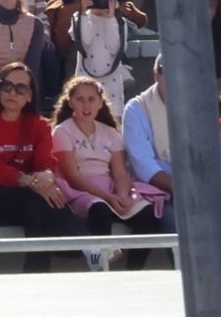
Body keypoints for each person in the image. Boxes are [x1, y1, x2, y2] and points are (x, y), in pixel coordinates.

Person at [123, 54, 221, 262]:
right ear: (156, 75)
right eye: (165, 71)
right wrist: (183, 190)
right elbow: (144, 166)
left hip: (203, 190)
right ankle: (189, 280)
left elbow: (220, 159)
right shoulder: (137, 110)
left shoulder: (201, 108)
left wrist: (206, 188)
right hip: (163, 195)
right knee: (174, 221)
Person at [51, 73, 165, 271]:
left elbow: (120, 173)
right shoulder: (62, 131)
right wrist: (108, 198)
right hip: (80, 190)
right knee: (100, 209)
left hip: (110, 187)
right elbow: (72, 176)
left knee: (148, 213)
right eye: (80, 99)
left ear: (100, 102)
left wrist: (121, 195)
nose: (86, 105)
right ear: (70, 103)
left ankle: (135, 271)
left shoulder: (111, 132)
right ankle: (100, 266)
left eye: (91, 99)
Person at [0, 62, 78, 272]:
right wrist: (29, 181)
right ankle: (84, 245)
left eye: (21, 89)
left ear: (29, 96)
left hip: (29, 198)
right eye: (7, 86)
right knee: (38, 198)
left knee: (36, 208)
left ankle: (36, 274)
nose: (13, 93)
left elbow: (45, 162)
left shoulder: (39, 125)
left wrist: (46, 176)